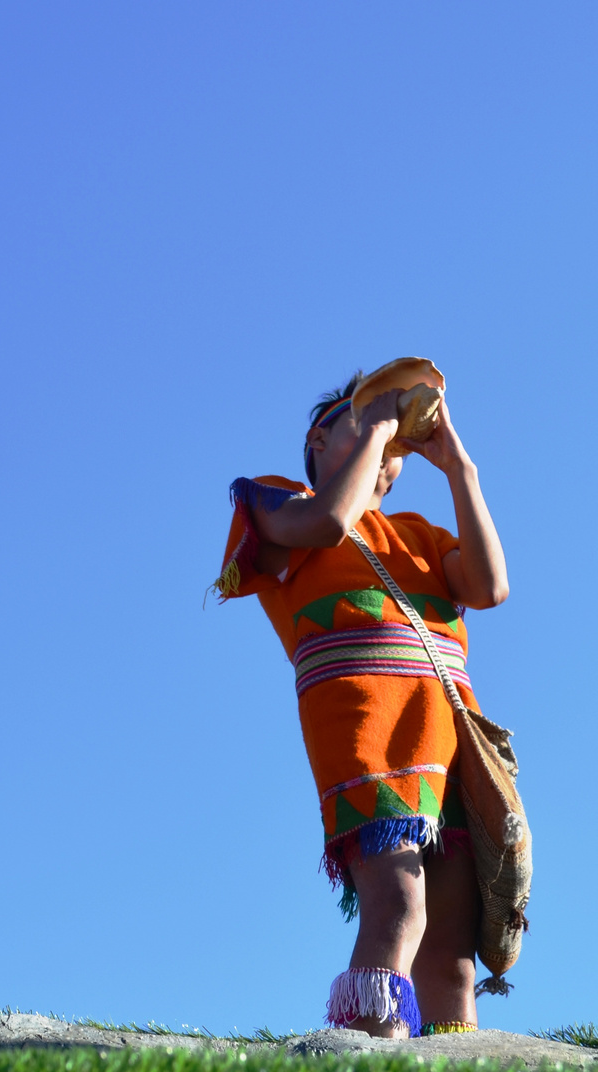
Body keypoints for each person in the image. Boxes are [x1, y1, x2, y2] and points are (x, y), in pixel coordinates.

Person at [213, 372, 508, 1037]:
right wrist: (380, 422)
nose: (385, 447)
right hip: (367, 733)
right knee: (398, 905)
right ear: (317, 440)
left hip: (445, 743)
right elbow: (328, 521)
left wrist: (456, 463)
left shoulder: (417, 534)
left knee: (451, 952)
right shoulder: (280, 504)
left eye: (396, 450)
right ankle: (365, 1052)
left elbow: (490, 586)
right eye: (362, 421)